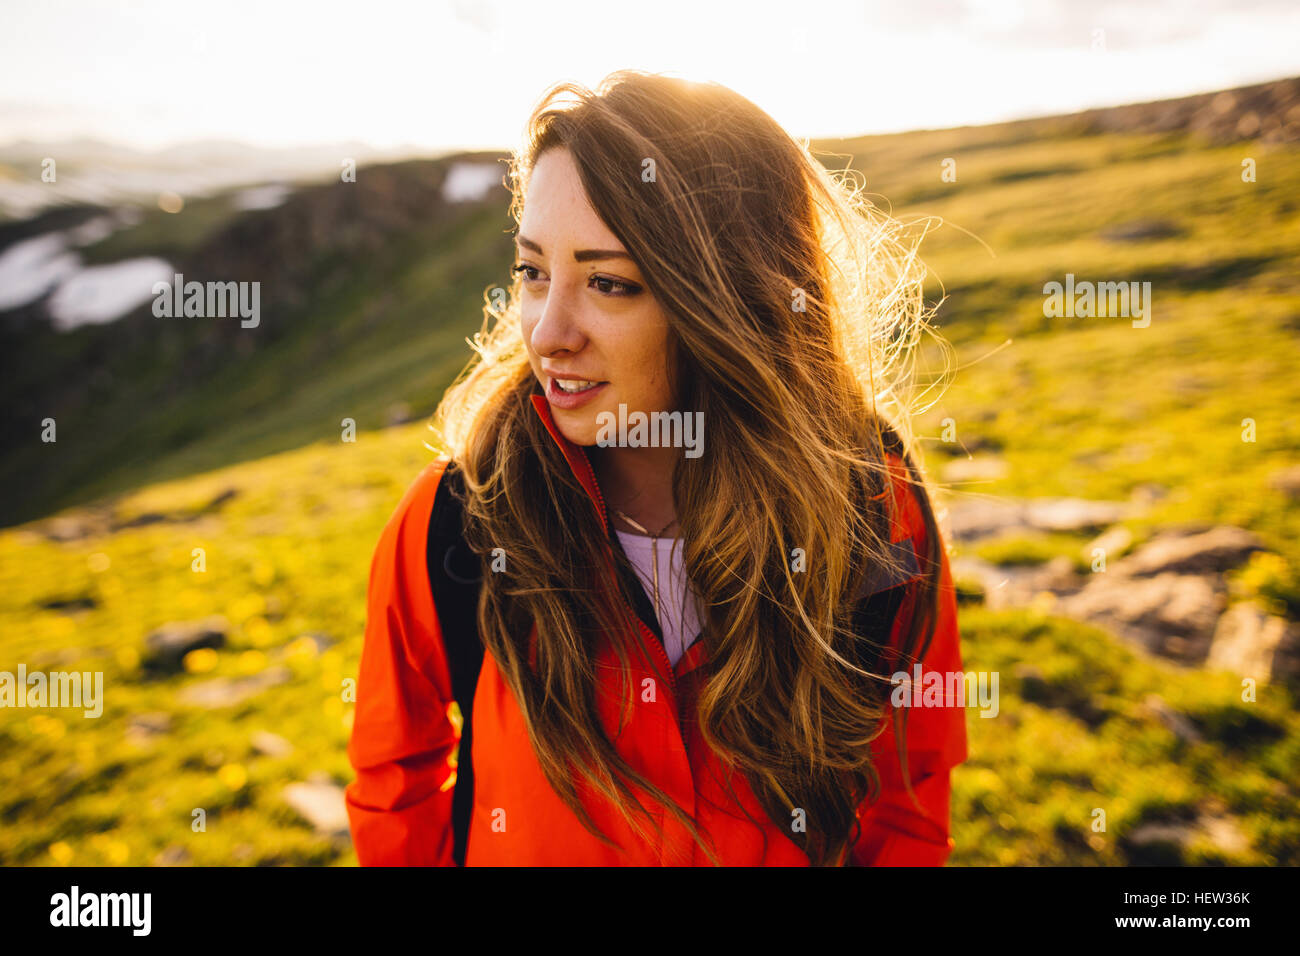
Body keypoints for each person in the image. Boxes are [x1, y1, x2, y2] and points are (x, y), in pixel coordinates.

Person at [345, 70, 967, 866]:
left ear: (731, 299)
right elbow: (392, 777)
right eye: (533, 272)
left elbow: (908, 797)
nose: (547, 333)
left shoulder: (869, 501)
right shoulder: (458, 518)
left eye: (607, 283)